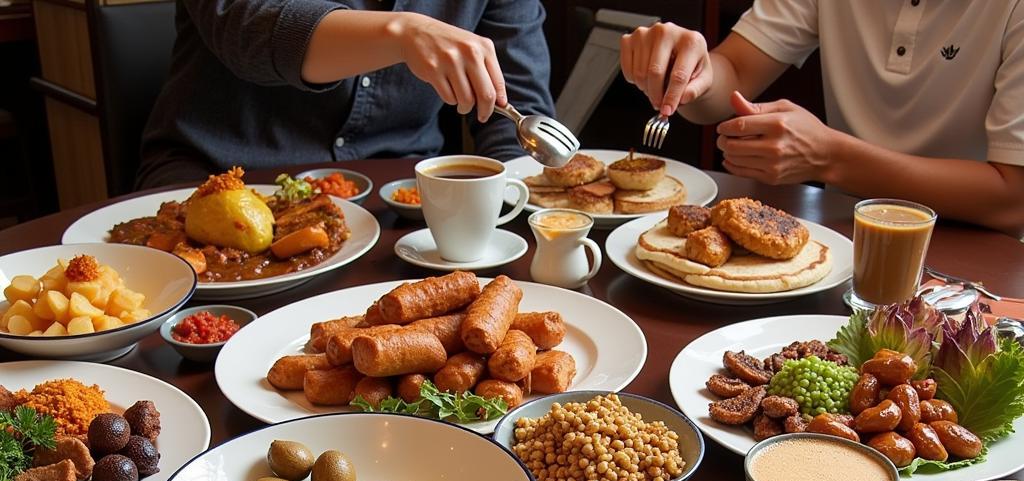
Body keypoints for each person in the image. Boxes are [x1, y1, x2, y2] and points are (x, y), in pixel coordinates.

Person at [619, 3, 1024, 236]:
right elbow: (734, 75)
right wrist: (690, 68)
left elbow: (1013, 199)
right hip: (842, 235)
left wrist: (832, 158)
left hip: (977, 256)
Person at [137, 1, 553, 188]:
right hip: (221, 176)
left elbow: (518, 113)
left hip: (404, 201)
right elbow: (246, 29)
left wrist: (491, 208)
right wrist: (402, 33)